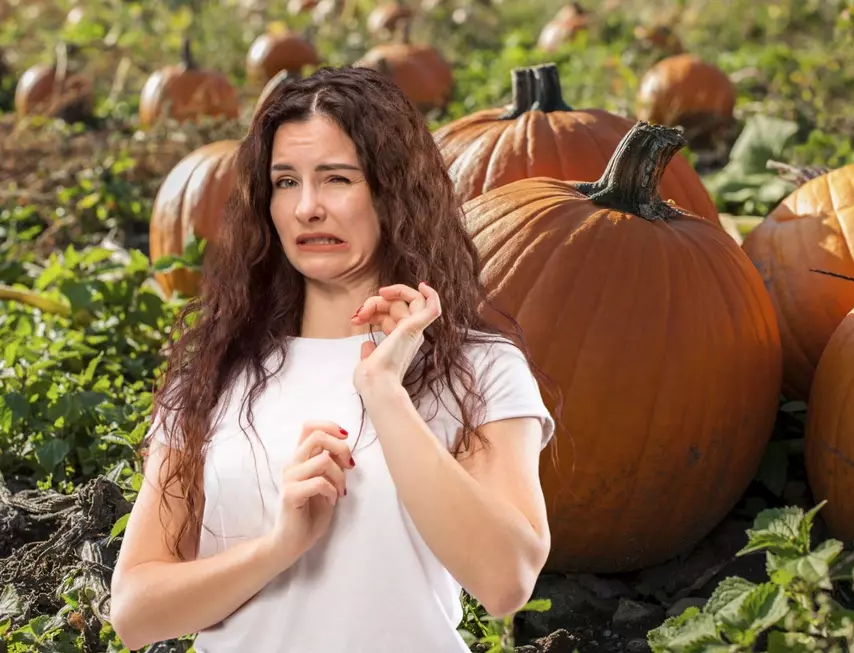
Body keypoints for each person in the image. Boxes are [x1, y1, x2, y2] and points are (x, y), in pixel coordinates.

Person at [109, 65, 560, 653]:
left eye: (337, 179)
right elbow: (136, 612)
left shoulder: (478, 368)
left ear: (393, 188)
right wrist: (279, 546)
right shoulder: (216, 369)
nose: (308, 209)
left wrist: (385, 393)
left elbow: (506, 581)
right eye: (286, 182)